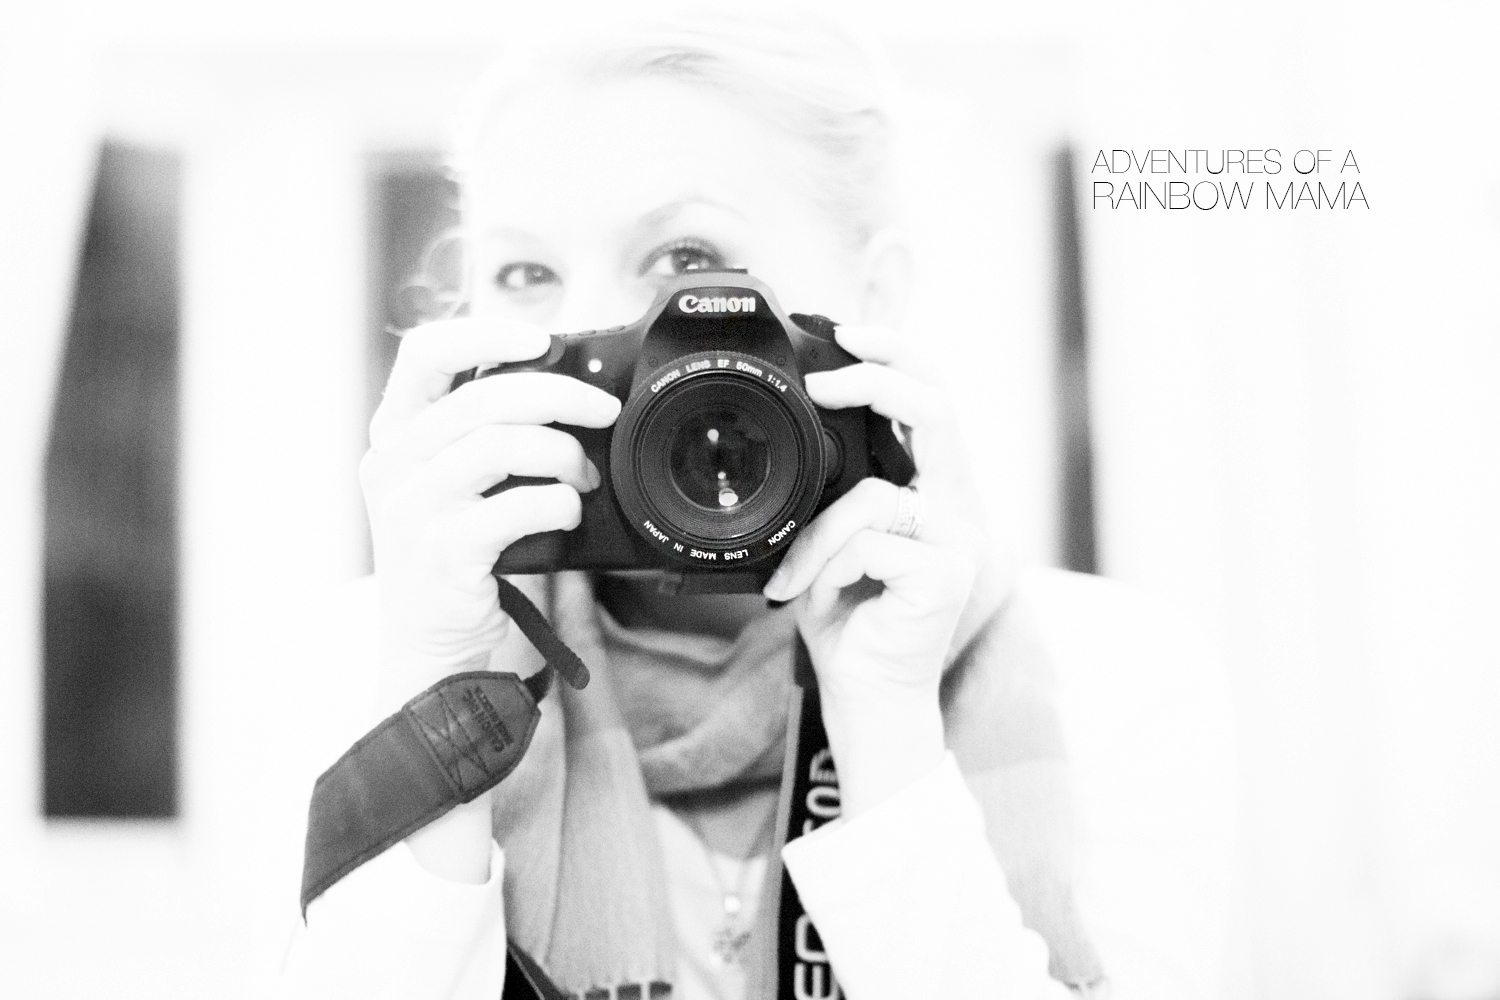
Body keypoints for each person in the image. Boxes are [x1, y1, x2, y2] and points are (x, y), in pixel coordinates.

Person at [279, 9, 1235, 999]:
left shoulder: (1115, 677)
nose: (590, 323)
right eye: (526, 273)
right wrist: (438, 708)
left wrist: (887, 726)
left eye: (686, 259)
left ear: (872, 300)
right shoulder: (371, 661)